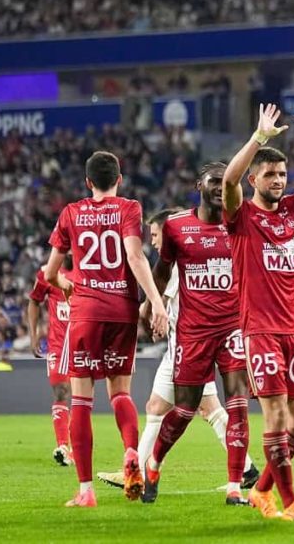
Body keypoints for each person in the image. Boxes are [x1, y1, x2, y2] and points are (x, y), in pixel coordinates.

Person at [222, 104, 294, 520]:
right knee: (274, 413)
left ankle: (262, 491)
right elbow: (228, 179)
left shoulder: (293, 210)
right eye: (270, 175)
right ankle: (290, 503)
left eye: (282, 175)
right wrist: (259, 137)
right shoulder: (241, 214)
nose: (277, 181)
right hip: (261, 331)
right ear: (256, 179)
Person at [97, 209, 259, 492]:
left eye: (157, 235)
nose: (155, 242)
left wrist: (144, 312)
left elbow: (159, 299)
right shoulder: (182, 255)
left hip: (192, 344)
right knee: (166, 408)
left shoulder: (178, 261)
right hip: (185, 343)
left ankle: (141, 470)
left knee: (198, 409)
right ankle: (245, 468)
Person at [44, 151, 168, 508]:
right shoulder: (129, 208)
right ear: (120, 178)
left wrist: (66, 282)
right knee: (120, 393)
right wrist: (156, 302)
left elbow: (51, 272)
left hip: (85, 312)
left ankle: (86, 491)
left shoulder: (70, 213)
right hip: (122, 311)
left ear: (87, 182)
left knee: (81, 399)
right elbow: (135, 256)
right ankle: (131, 452)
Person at [138, 163, 253, 506]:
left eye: (226, 181)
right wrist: (150, 306)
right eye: (215, 181)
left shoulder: (242, 222)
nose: (221, 187)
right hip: (193, 333)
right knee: (185, 411)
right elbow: (161, 271)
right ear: (198, 184)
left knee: (238, 405)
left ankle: (235, 487)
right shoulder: (176, 226)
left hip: (233, 328)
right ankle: (154, 464)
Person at [28, 259, 75, 467]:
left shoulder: (90, 270)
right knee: (61, 391)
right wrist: (34, 334)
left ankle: (75, 447)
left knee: (80, 397)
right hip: (57, 345)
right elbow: (34, 301)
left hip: (82, 342)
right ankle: (63, 446)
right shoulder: (48, 272)